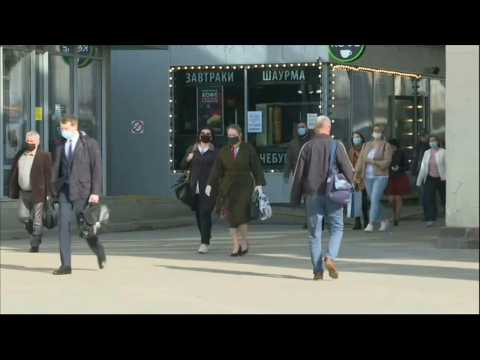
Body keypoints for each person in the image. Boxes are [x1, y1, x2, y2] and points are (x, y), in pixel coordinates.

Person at [291, 116, 354, 280]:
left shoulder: (307, 146)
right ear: (328, 129)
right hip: (333, 193)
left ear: (315, 129)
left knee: (314, 234)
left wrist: (295, 198)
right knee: (337, 228)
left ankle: (317, 271)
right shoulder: (336, 145)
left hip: (312, 195)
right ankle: (330, 257)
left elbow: (299, 174)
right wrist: (352, 184)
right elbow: (348, 169)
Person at [51, 115, 106, 275]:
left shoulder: (89, 143)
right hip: (65, 191)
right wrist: (52, 191)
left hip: (83, 190)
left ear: (75, 127)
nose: (63, 131)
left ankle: (98, 250)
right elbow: (56, 168)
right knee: (63, 226)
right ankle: (65, 265)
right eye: (61, 128)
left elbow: (96, 169)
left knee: (85, 227)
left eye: (66, 128)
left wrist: (95, 192)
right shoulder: (60, 144)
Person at [206, 125, 266, 256]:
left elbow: (256, 167)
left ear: (240, 135)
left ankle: (244, 241)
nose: (231, 138)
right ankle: (235, 245)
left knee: (241, 215)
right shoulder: (224, 151)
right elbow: (216, 169)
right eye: (229, 136)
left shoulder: (248, 149)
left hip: (244, 185)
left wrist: (259, 184)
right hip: (228, 186)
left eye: (234, 135)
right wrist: (209, 184)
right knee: (231, 217)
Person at [8, 131, 52, 252]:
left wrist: (49, 194)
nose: (29, 143)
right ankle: (33, 230)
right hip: (23, 192)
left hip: (39, 192)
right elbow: (14, 172)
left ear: (38, 142)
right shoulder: (20, 154)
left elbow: (49, 176)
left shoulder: (44, 156)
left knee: (38, 220)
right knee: (22, 216)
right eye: (28, 141)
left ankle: (35, 244)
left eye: (32, 141)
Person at [180, 127, 219, 254]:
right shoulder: (193, 149)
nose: (205, 135)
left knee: (205, 212)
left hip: (209, 187)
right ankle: (205, 234)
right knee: (198, 214)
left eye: (208, 134)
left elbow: (220, 170)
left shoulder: (215, 152)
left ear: (212, 137)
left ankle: (204, 242)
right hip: (194, 187)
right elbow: (182, 165)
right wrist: (188, 159)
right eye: (203, 133)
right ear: (199, 135)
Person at [354, 124, 393, 232]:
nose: (376, 133)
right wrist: (357, 172)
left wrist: (372, 161)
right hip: (367, 176)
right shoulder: (366, 145)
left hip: (381, 176)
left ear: (382, 133)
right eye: (375, 131)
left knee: (375, 199)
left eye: (379, 131)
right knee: (373, 200)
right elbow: (361, 160)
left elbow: (386, 162)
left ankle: (370, 223)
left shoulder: (386, 145)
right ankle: (384, 219)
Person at [283, 122, 311, 229]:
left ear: (307, 129)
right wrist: (286, 173)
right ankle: (308, 220)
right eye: (299, 127)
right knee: (305, 198)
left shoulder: (311, 142)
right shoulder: (293, 143)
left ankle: (311, 221)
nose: (301, 129)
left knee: (310, 198)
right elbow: (289, 160)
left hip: (310, 173)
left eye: (303, 127)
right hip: (298, 174)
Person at [416, 135, 446, 227]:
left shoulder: (444, 152)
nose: (432, 143)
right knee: (428, 198)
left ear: (438, 141)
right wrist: (419, 181)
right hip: (429, 178)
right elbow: (423, 167)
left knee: (444, 198)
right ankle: (430, 218)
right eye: (430, 141)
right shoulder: (427, 153)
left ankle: (448, 216)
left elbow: (448, 166)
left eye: (434, 141)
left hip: (442, 178)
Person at [385, 139, 410, 226]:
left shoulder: (401, 153)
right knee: (391, 199)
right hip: (389, 178)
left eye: (390, 146)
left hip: (400, 177)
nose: (389, 147)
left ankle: (397, 218)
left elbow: (407, 166)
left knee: (398, 198)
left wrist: (399, 168)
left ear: (394, 145)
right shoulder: (386, 153)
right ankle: (394, 213)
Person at [348, 131, 369, 230]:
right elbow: (349, 164)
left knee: (364, 201)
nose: (356, 139)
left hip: (364, 178)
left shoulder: (366, 150)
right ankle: (357, 222)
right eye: (354, 137)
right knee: (355, 201)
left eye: (358, 137)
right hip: (355, 178)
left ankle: (366, 220)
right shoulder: (351, 151)